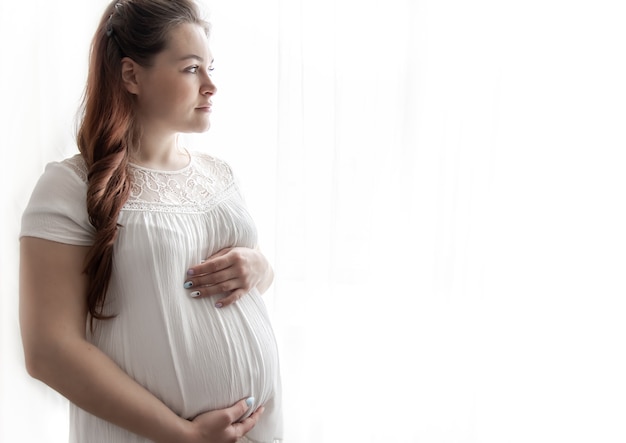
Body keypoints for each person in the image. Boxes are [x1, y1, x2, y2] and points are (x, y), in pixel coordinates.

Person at [19, 1, 282, 442]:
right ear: (131, 75)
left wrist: (259, 268)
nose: (211, 85)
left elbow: (238, 289)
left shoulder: (220, 175)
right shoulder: (69, 187)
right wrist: (184, 435)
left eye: (210, 67)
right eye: (191, 68)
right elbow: (49, 351)